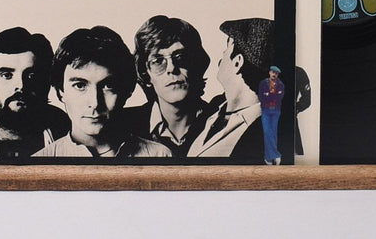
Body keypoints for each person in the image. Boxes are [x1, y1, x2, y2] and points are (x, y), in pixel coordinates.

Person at [34, 26, 171, 159]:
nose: (95, 103)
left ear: (127, 91)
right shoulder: (38, 163)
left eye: (108, 86)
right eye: (80, 85)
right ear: (60, 91)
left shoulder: (160, 156)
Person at [186, 17, 274, 162]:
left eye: (226, 49)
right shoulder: (212, 110)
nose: (221, 58)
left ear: (237, 62)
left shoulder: (263, 135)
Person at [128, 15, 211, 156]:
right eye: (158, 61)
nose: (172, 68)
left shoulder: (219, 122)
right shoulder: (125, 126)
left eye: (181, 57)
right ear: (145, 73)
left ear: (196, 63)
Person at [0, 27, 68, 157]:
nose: (20, 86)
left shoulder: (73, 135)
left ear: (47, 85)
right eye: (7, 75)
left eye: (31, 76)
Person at [259, 65, 285, 164]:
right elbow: (261, 97)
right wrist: (272, 96)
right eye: (273, 72)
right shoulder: (263, 83)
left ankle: (268, 157)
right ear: (269, 72)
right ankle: (275, 155)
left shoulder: (281, 84)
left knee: (273, 132)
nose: (274, 74)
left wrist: (268, 95)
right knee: (267, 132)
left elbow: (279, 98)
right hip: (265, 110)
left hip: (276, 111)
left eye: (276, 73)